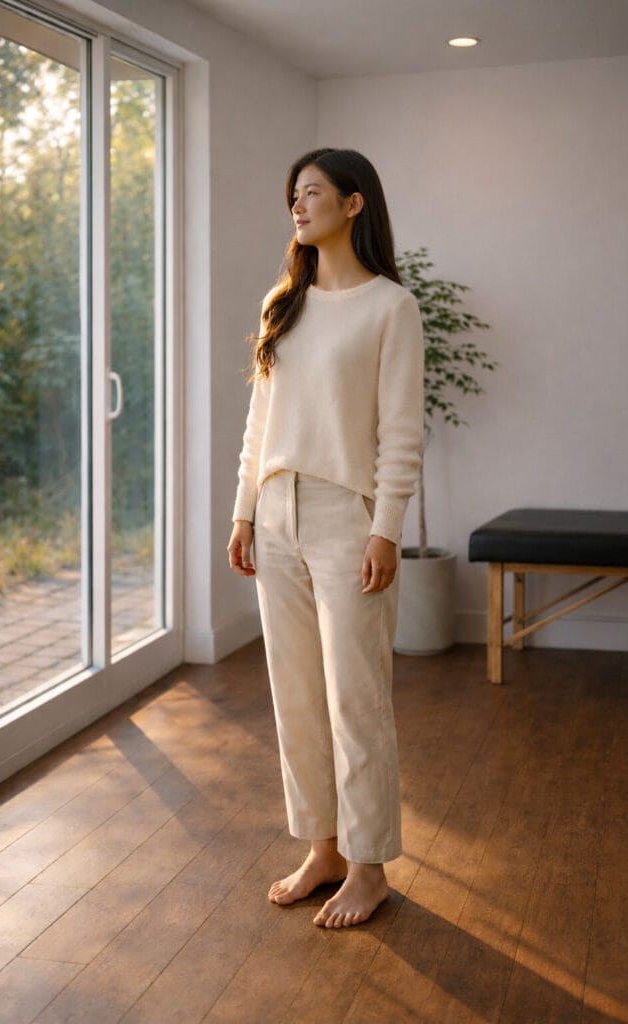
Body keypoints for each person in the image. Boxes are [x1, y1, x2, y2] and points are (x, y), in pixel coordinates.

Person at [227, 147, 424, 929]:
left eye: (310, 194)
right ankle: (322, 848)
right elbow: (258, 423)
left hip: (349, 519)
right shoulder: (285, 301)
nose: (297, 208)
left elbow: (401, 432)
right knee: (297, 697)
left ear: (353, 205)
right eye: (291, 198)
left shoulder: (389, 307)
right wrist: (242, 512)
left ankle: (369, 865)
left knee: (356, 697)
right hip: (277, 513)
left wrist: (385, 530)